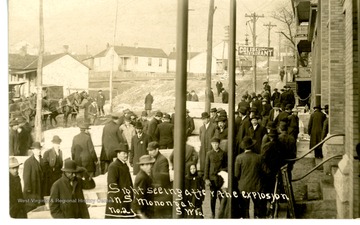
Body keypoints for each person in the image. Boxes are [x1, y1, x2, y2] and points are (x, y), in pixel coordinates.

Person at [235, 136, 265, 218]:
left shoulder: (239, 158)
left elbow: (236, 175)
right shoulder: (259, 157)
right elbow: (265, 171)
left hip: (243, 187)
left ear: (244, 148)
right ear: (252, 146)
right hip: (257, 186)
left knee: (244, 209)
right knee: (258, 209)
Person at [105, 143, 135, 219]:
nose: (126, 155)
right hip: (118, 201)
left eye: (127, 153)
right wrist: (123, 196)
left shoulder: (125, 165)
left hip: (126, 199)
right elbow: (112, 185)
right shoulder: (113, 166)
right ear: (118, 154)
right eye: (124, 153)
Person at [147, 141, 172, 218]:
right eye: (148, 150)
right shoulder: (154, 159)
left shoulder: (162, 160)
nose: (149, 152)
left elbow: (163, 177)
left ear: (157, 149)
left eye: (151, 150)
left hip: (162, 193)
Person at [204, 137, 227, 218]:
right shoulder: (209, 153)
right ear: (211, 144)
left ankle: (221, 213)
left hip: (221, 179)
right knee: (213, 198)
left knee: (221, 197)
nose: (215, 145)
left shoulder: (223, 153)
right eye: (213, 144)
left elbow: (226, 166)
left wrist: (222, 170)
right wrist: (206, 179)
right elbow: (206, 166)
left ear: (219, 144)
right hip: (212, 179)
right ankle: (213, 213)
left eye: (216, 143)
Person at [23, 142, 45, 213]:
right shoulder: (28, 162)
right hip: (33, 189)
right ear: (33, 150)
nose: (39, 151)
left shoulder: (43, 161)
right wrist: (28, 189)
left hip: (41, 188)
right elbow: (26, 177)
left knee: (41, 207)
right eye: (37, 149)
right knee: (32, 208)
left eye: (39, 149)